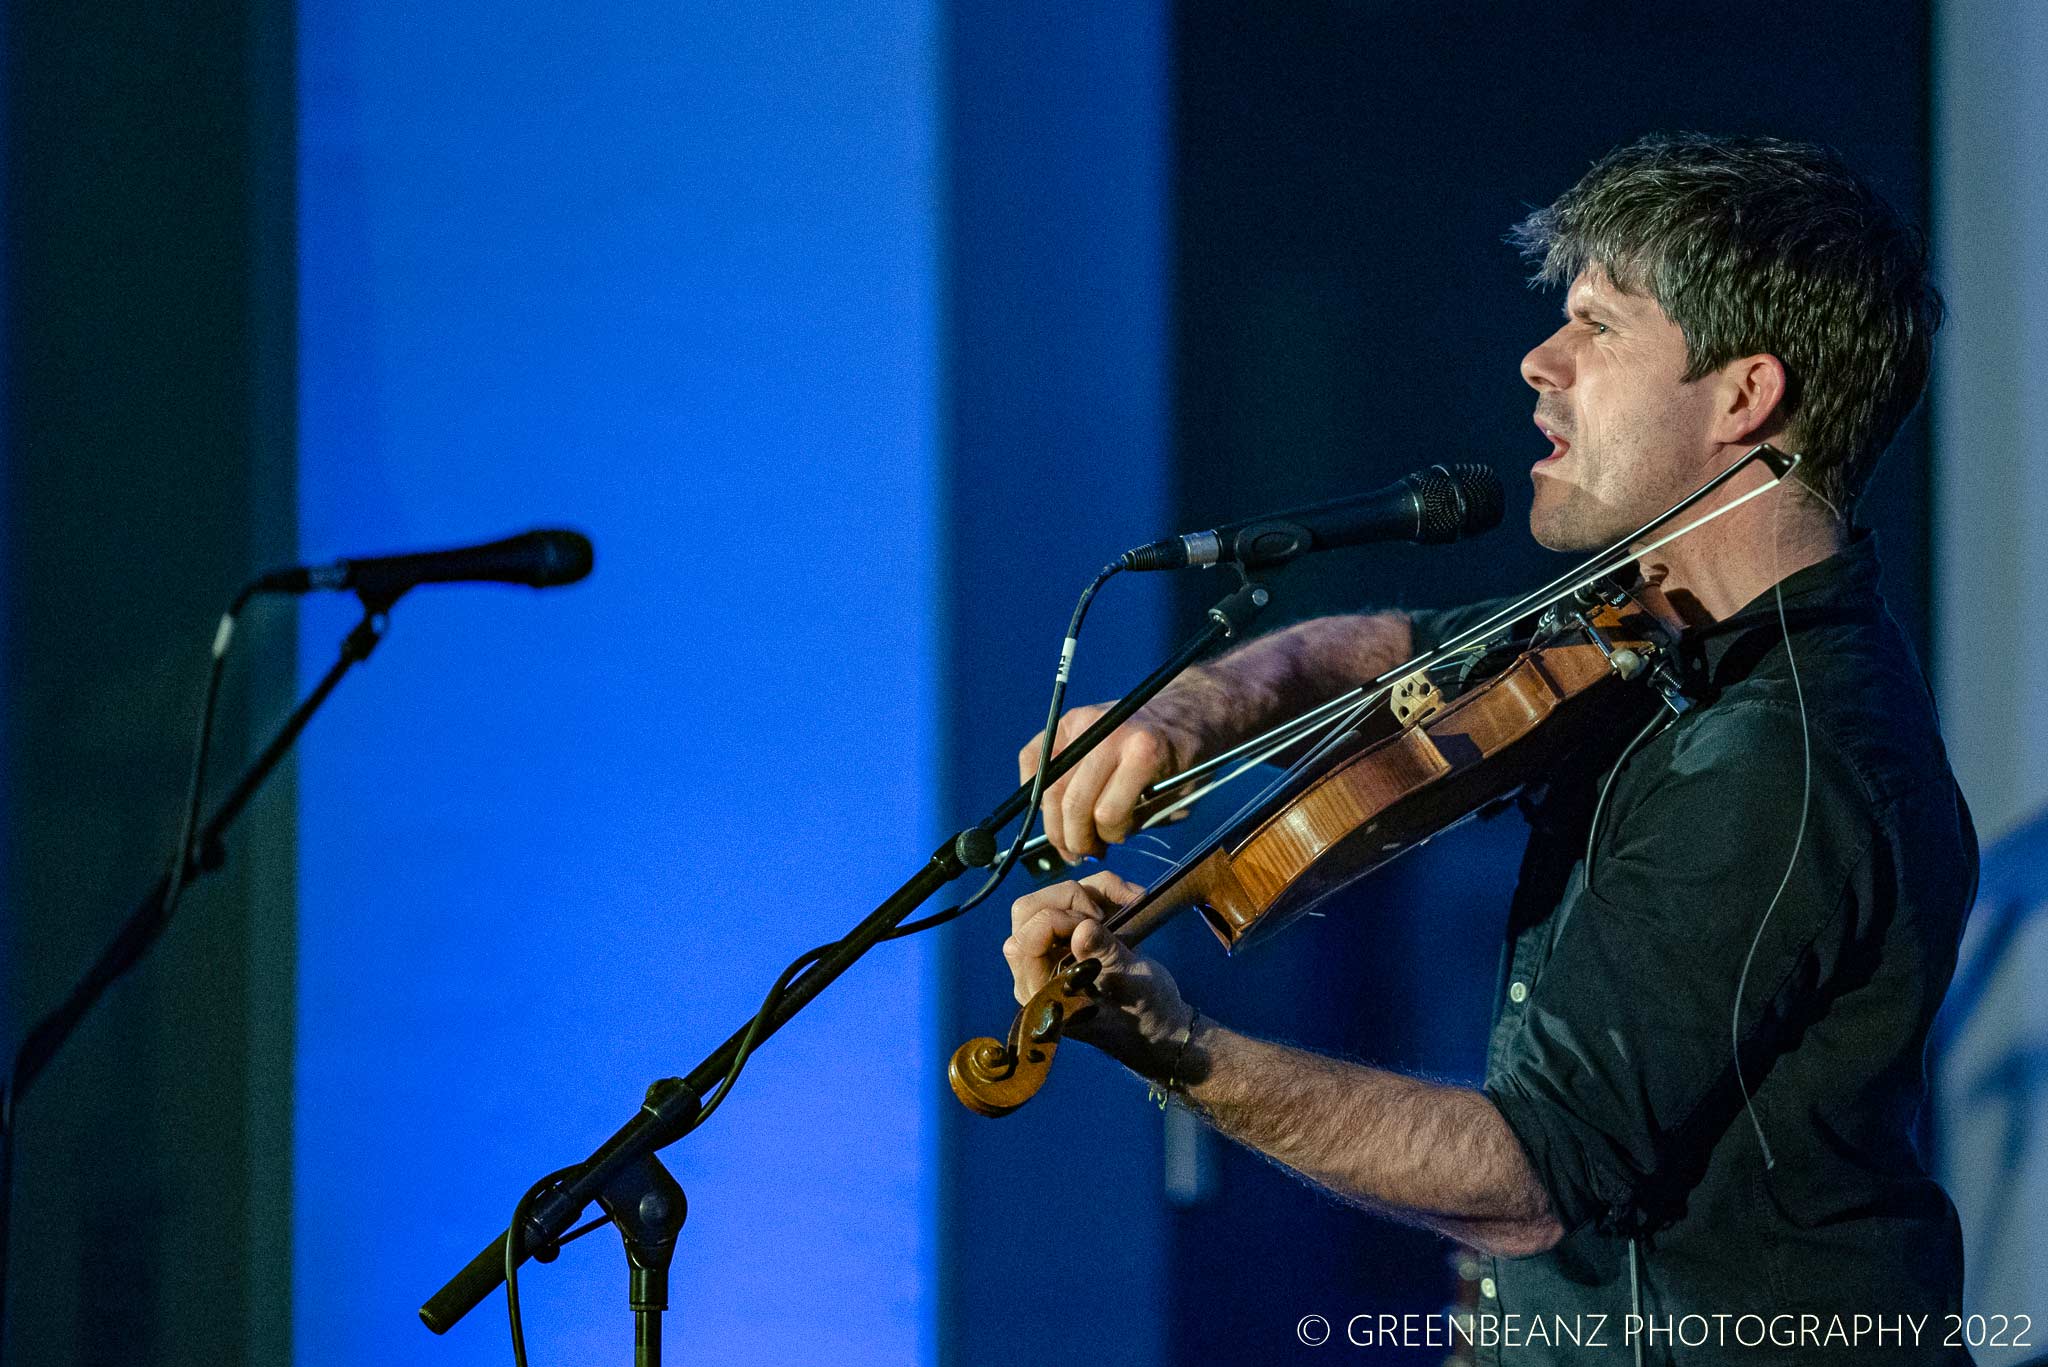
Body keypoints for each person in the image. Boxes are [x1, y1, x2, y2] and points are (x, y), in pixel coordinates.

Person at [1004, 134, 1976, 1364]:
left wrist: (1178, 1048)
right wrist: (1192, 709)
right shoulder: (1644, 623)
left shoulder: (1779, 754)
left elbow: (1527, 1175)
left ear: (1743, 395)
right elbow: (1385, 644)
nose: (1538, 361)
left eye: (1596, 325)